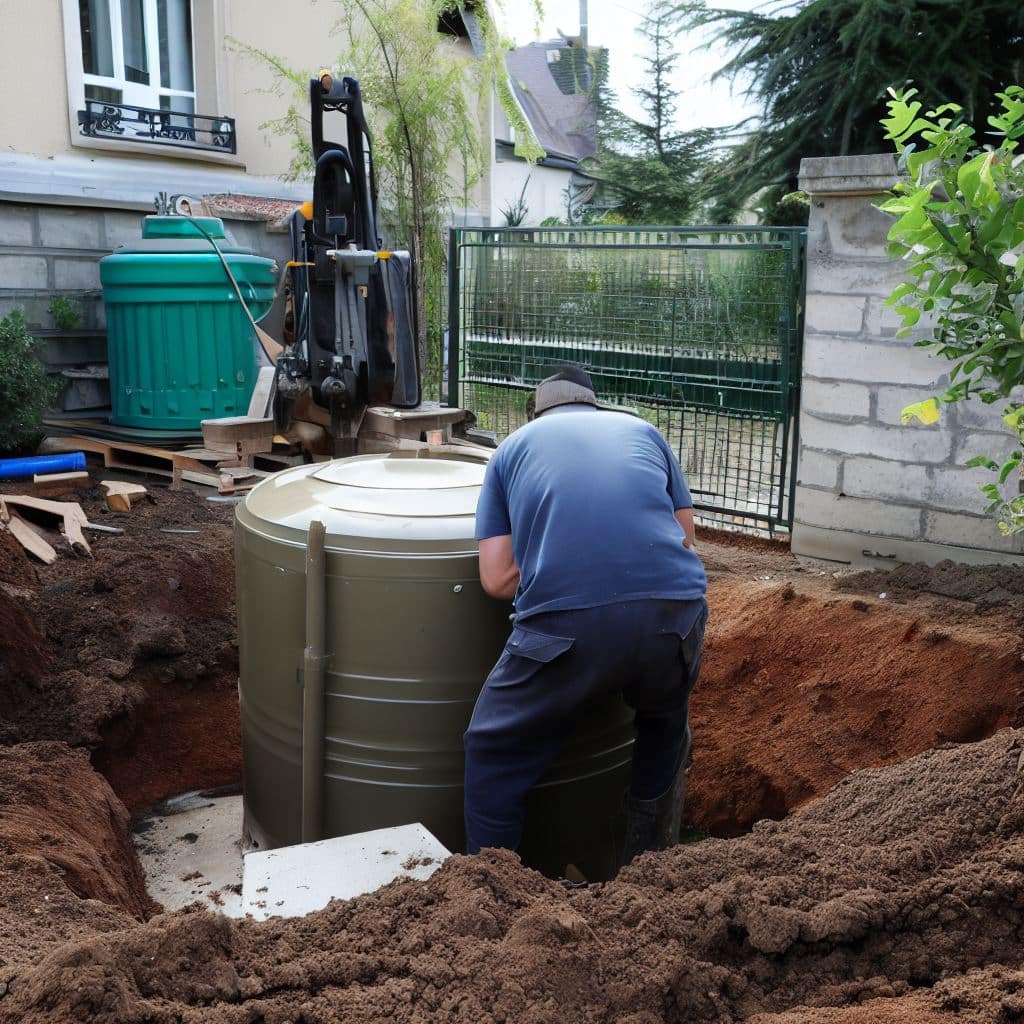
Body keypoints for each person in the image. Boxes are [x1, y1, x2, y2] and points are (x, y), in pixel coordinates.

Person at [464, 365, 708, 864]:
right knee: (665, 726)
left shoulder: (512, 449)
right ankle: (652, 869)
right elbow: (686, 538)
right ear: (593, 404)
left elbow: (495, 578)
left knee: (493, 748)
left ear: (538, 412)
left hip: (569, 628)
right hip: (676, 613)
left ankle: (486, 892)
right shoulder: (643, 431)